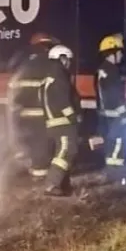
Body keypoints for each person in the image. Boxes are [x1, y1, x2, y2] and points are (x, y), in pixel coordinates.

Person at [7, 32, 58, 182]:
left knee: (33, 147)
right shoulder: (49, 65)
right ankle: (41, 180)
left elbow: (14, 93)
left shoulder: (23, 66)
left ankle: (35, 174)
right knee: (42, 148)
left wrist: (17, 113)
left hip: (26, 115)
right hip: (43, 115)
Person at [42, 44, 81, 197]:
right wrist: (73, 117)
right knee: (67, 151)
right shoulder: (60, 76)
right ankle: (52, 185)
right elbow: (63, 101)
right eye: (68, 60)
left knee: (64, 152)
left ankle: (63, 184)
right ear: (62, 59)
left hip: (53, 121)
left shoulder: (49, 77)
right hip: (62, 122)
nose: (69, 63)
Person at [96, 33, 126, 185]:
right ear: (113, 52)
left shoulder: (101, 70)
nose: (121, 54)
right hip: (116, 114)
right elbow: (115, 94)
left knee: (111, 143)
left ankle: (112, 173)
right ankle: (115, 175)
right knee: (119, 143)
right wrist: (124, 112)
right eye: (119, 51)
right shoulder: (112, 71)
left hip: (106, 114)